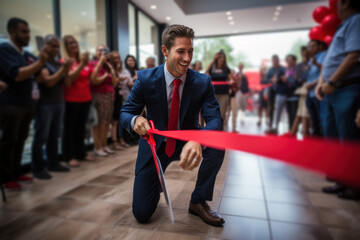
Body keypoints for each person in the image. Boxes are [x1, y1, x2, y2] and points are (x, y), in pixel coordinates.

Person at [120, 24, 225, 226]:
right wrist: (136, 120)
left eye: (190, 51)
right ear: (165, 51)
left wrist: (199, 138)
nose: (187, 58)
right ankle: (154, 182)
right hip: (154, 145)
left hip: (187, 140)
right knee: (142, 215)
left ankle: (198, 201)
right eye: (181, 51)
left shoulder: (203, 82)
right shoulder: (145, 79)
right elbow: (125, 113)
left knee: (218, 143)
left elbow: (215, 120)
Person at [315, 0, 360, 200]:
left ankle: (354, 184)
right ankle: (342, 180)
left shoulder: (356, 21)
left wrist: (331, 82)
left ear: (347, 3)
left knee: (347, 137)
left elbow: (353, 56)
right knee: (334, 137)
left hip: (345, 87)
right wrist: (321, 83)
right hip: (332, 90)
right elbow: (329, 62)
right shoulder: (344, 25)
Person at [0, 18, 49, 189]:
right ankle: (6, 177)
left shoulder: (25, 54)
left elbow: (38, 74)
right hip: (10, 103)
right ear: (12, 32)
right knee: (9, 140)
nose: (28, 35)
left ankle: (16, 172)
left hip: (27, 103)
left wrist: (41, 65)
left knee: (20, 139)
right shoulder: (5, 49)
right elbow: (18, 75)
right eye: (24, 32)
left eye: (28, 32)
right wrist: (40, 63)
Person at [31, 35, 71, 179]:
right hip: (45, 104)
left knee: (54, 136)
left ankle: (53, 163)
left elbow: (66, 83)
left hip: (59, 102)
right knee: (41, 136)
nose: (55, 49)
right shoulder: (40, 62)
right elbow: (48, 82)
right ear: (44, 46)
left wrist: (65, 70)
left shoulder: (56, 63)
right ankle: (37, 168)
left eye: (57, 46)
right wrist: (63, 69)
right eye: (52, 46)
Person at [61, 35, 94, 167]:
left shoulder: (82, 60)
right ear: (65, 46)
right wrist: (82, 65)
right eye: (70, 43)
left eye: (75, 42)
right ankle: (69, 156)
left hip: (85, 98)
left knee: (81, 128)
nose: (74, 45)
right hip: (71, 99)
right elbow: (68, 81)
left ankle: (81, 153)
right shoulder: (65, 62)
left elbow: (92, 78)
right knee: (70, 129)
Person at [90, 45, 118, 156]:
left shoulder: (107, 65)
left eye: (104, 50)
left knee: (106, 122)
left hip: (109, 96)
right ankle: (97, 146)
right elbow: (94, 80)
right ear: (95, 52)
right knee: (98, 123)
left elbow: (115, 84)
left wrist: (111, 70)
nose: (102, 52)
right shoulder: (93, 64)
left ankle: (105, 145)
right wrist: (105, 72)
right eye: (99, 50)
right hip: (98, 95)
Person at [205, 50, 234, 129]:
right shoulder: (212, 68)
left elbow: (231, 79)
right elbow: (206, 72)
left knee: (222, 114)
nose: (222, 59)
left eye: (223, 58)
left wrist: (231, 82)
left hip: (224, 94)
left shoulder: (226, 69)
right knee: (213, 114)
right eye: (220, 57)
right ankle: (214, 131)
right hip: (212, 95)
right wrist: (213, 60)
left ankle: (221, 131)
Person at [109, 51, 132, 150]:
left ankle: (121, 139)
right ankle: (114, 141)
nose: (117, 60)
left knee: (121, 119)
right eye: (114, 58)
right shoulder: (110, 70)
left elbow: (130, 83)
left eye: (118, 58)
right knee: (115, 120)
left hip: (123, 98)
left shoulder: (124, 70)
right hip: (113, 97)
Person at [306, 40, 327, 136]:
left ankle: (323, 143)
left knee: (321, 120)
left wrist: (316, 63)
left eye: (313, 46)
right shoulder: (310, 59)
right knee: (314, 121)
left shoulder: (324, 55)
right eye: (310, 46)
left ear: (319, 46)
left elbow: (325, 71)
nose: (311, 48)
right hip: (309, 93)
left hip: (318, 93)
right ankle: (316, 144)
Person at [289, 47, 310, 137]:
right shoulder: (300, 66)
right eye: (304, 54)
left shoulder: (313, 63)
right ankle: (301, 134)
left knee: (303, 113)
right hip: (304, 90)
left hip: (312, 90)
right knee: (302, 113)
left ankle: (296, 132)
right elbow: (297, 79)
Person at [263, 55, 286, 132]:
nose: (275, 62)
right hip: (272, 91)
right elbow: (266, 80)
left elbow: (286, 78)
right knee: (271, 108)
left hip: (281, 91)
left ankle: (277, 126)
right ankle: (270, 125)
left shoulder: (283, 69)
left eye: (276, 60)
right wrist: (271, 79)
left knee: (279, 109)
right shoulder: (270, 70)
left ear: (278, 61)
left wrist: (278, 79)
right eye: (273, 61)